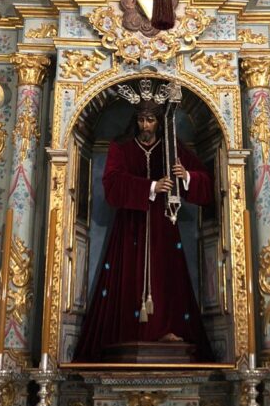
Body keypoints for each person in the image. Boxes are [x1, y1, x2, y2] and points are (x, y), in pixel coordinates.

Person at [74, 99, 213, 362]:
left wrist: (185, 176)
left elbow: (205, 180)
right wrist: (150, 187)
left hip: (164, 225)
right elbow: (112, 184)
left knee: (166, 278)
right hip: (131, 225)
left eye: (150, 120)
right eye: (141, 120)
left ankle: (166, 329)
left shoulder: (172, 148)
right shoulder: (122, 147)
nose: (145, 125)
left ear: (159, 121)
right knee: (129, 275)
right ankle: (130, 332)